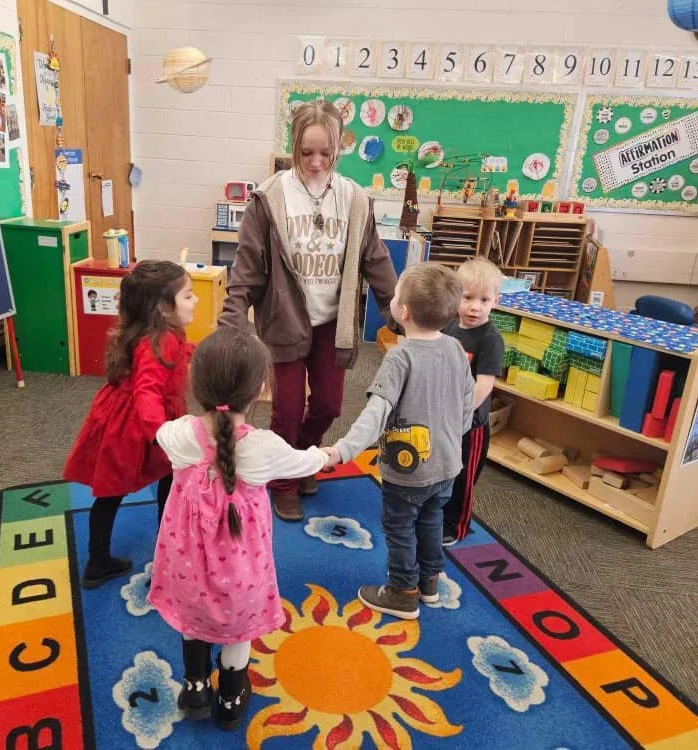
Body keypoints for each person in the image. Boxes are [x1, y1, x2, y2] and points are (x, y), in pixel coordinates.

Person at [218, 99, 398, 523]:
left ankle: (300, 458)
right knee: (285, 409)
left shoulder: (355, 198)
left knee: (330, 405)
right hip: (285, 320)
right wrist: (231, 321)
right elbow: (246, 267)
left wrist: (398, 306)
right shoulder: (270, 198)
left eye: (326, 153)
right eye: (306, 153)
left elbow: (375, 257)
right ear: (294, 148)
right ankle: (283, 484)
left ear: (338, 150)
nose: (316, 162)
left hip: (333, 323)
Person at [148, 329, 329, 729]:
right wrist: (327, 454)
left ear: (196, 383)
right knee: (237, 627)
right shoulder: (265, 447)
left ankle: (194, 686)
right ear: (262, 389)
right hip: (240, 572)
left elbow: (159, 433)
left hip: (186, 565)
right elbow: (306, 463)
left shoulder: (180, 435)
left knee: (192, 619)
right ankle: (230, 700)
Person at [324, 263, 474, 620]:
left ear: (402, 311)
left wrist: (342, 450)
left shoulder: (400, 357)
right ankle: (430, 583)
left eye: (395, 296)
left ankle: (403, 591)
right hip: (447, 463)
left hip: (408, 474)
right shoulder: (455, 348)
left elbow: (375, 414)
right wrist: (452, 439)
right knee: (432, 519)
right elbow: (467, 405)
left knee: (401, 526)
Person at [63, 261, 196, 588]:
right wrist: (164, 435)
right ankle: (167, 555)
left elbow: (175, 357)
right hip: (138, 427)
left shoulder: (157, 333)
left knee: (113, 493)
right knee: (162, 482)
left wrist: (200, 353)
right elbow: (147, 391)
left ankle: (99, 561)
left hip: (127, 421)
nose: (195, 301)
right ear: (163, 309)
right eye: (189, 296)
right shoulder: (160, 340)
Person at [440, 258, 505, 546]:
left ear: (495, 302)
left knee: (463, 477)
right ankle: (437, 513)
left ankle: (456, 525)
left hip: (471, 424)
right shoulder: (451, 329)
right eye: (467, 298)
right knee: (443, 467)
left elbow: (485, 384)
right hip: (444, 417)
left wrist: (462, 413)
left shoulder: (490, 339)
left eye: (484, 299)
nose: (474, 307)